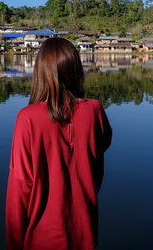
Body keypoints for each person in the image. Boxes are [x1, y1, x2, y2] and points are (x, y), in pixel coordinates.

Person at [6, 37, 112, 250]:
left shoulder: (28, 119)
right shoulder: (95, 111)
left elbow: (20, 189)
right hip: (85, 235)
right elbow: (97, 163)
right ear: (75, 69)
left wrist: (14, 244)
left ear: (41, 72)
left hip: (42, 239)